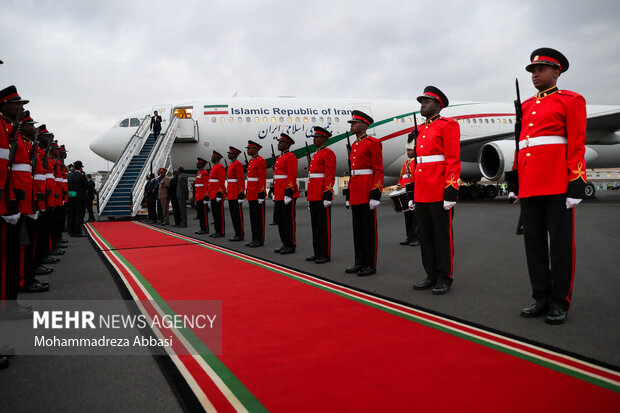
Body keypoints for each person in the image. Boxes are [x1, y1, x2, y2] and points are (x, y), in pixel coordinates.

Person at [510, 48, 587, 325]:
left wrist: (576, 181)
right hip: (531, 185)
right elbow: (522, 146)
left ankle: (559, 301)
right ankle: (540, 297)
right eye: (532, 71)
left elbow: (576, 143)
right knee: (534, 245)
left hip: (557, 184)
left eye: (541, 69)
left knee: (561, 247)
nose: (535, 75)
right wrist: (516, 181)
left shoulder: (571, 100)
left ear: (557, 72)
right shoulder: (527, 106)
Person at [410, 86, 461, 295]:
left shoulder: (448, 125)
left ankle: (444, 277)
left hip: (439, 189)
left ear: (438, 105)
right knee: (425, 235)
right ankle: (430, 275)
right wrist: (412, 192)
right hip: (422, 190)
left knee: (442, 237)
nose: (422, 105)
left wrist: (450, 191)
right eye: (421, 101)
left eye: (426, 101)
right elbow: (415, 162)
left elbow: (452, 160)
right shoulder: (419, 130)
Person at [344, 110, 384, 277]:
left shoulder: (372, 143)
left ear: (364, 125)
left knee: (368, 231)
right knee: (357, 230)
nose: (352, 125)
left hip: (367, 191)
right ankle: (359, 261)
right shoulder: (354, 145)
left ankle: (370, 264)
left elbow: (378, 170)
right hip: (356, 192)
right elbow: (353, 172)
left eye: (354, 123)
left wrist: (375, 194)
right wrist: (348, 195)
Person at [306, 126, 336, 264]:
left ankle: (325, 253)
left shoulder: (328, 153)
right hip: (313, 195)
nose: (314, 139)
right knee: (315, 226)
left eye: (316, 137)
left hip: (322, 195)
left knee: (324, 227)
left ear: (324, 139)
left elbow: (329, 176)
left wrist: (327, 195)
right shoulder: (316, 154)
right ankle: (316, 251)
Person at [273, 133, 299, 255]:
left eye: (281, 142)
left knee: (288, 220)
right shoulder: (279, 158)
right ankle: (284, 243)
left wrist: (288, 193)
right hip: (279, 193)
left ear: (287, 144)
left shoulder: (291, 157)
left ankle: (290, 244)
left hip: (287, 193)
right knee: (281, 220)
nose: (278, 144)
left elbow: (291, 176)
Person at [245, 140, 267, 247]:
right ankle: (254, 238)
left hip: (257, 193)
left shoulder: (260, 160)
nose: (248, 150)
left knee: (259, 218)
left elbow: (262, 178)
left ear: (255, 149)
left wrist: (261, 192)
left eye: (249, 148)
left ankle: (259, 240)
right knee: (253, 218)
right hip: (251, 193)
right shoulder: (251, 161)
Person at [398, 145, 419, 246]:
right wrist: (399, 184)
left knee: (415, 216)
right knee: (407, 216)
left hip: (414, 191)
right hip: (405, 192)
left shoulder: (417, 162)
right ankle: (409, 237)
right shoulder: (405, 163)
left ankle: (416, 237)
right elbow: (403, 177)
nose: (408, 152)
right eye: (407, 150)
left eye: (410, 150)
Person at [226, 146, 245, 241]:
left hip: (235, 194)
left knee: (238, 215)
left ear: (235, 155)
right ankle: (236, 233)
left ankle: (240, 234)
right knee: (233, 215)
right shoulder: (232, 164)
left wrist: (241, 193)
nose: (228, 154)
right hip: (231, 193)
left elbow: (241, 180)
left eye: (230, 153)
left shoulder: (237, 164)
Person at [67, 160, 89, 237]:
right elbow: (86, 186)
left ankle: (71, 231)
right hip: (79, 195)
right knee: (79, 214)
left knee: (71, 213)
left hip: (71, 194)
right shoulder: (82, 176)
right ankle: (78, 231)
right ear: (80, 167)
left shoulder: (69, 175)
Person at [208, 151, 226, 237]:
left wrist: (219, 193)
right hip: (212, 193)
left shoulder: (220, 167)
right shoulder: (214, 167)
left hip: (217, 193)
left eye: (213, 157)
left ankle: (221, 232)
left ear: (217, 158)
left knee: (219, 214)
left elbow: (221, 181)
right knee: (215, 213)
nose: (211, 158)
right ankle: (216, 230)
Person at [194, 157, 210, 234]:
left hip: (202, 196)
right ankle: (202, 228)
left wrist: (206, 196)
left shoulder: (204, 172)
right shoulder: (199, 172)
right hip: (198, 196)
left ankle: (205, 229)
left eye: (198, 163)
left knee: (203, 214)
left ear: (202, 164)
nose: (196, 164)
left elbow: (206, 185)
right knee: (200, 214)